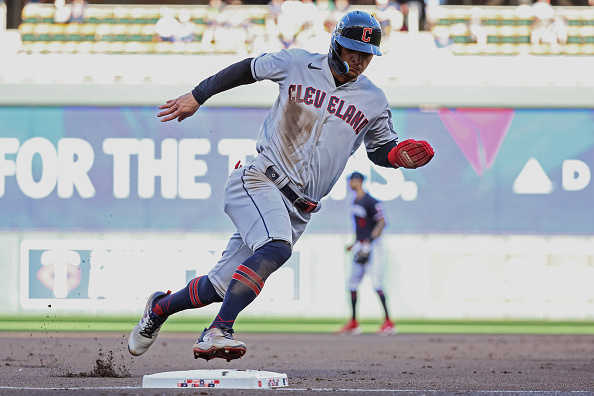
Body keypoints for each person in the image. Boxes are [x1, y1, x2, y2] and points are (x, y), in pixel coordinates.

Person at [127, 10, 434, 362]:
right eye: (352, 50)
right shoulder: (297, 63)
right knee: (276, 247)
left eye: (366, 55)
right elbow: (248, 69)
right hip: (260, 179)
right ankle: (218, 330)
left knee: (220, 286)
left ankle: (159, 308)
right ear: (336, 43)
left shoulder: (373, 99)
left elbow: (380, 148)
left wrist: (397, 156)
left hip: (300, 208)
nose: (359, 60)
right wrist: (199, 95)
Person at [336, 171, 395, 336]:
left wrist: (369, 240)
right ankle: (354, 323)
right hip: (360, 245)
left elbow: (382, 222)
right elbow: (360, 227)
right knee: (352, 284)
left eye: (352, 180)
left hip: (373, 246)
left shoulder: (370, 201)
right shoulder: (355, 201)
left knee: (377, 282)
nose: (350, 183)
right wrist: (355, 243)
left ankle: (389, 323)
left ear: (359, 181)